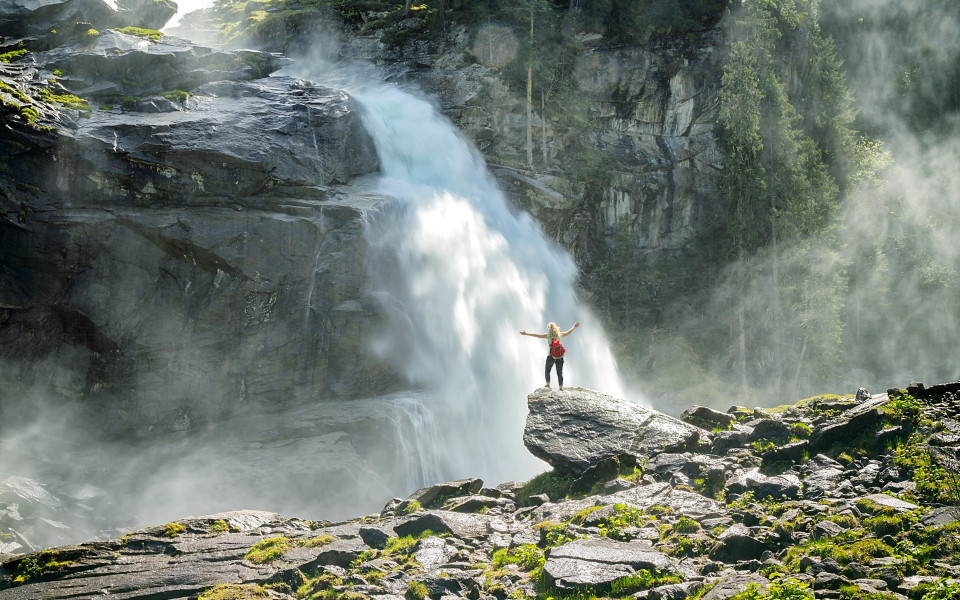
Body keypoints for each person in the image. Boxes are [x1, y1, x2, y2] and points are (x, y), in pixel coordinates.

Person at [519, 321, 581, 390]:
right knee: (559, 372)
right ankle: (561, 387)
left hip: (551, 355)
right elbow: (568, 332)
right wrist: (574, 326)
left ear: (549, 329)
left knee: (547, 370)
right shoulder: (559, 334)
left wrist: (526, 333)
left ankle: (547, 384)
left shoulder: (547, 335)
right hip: (559, 356)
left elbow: (536, 335)